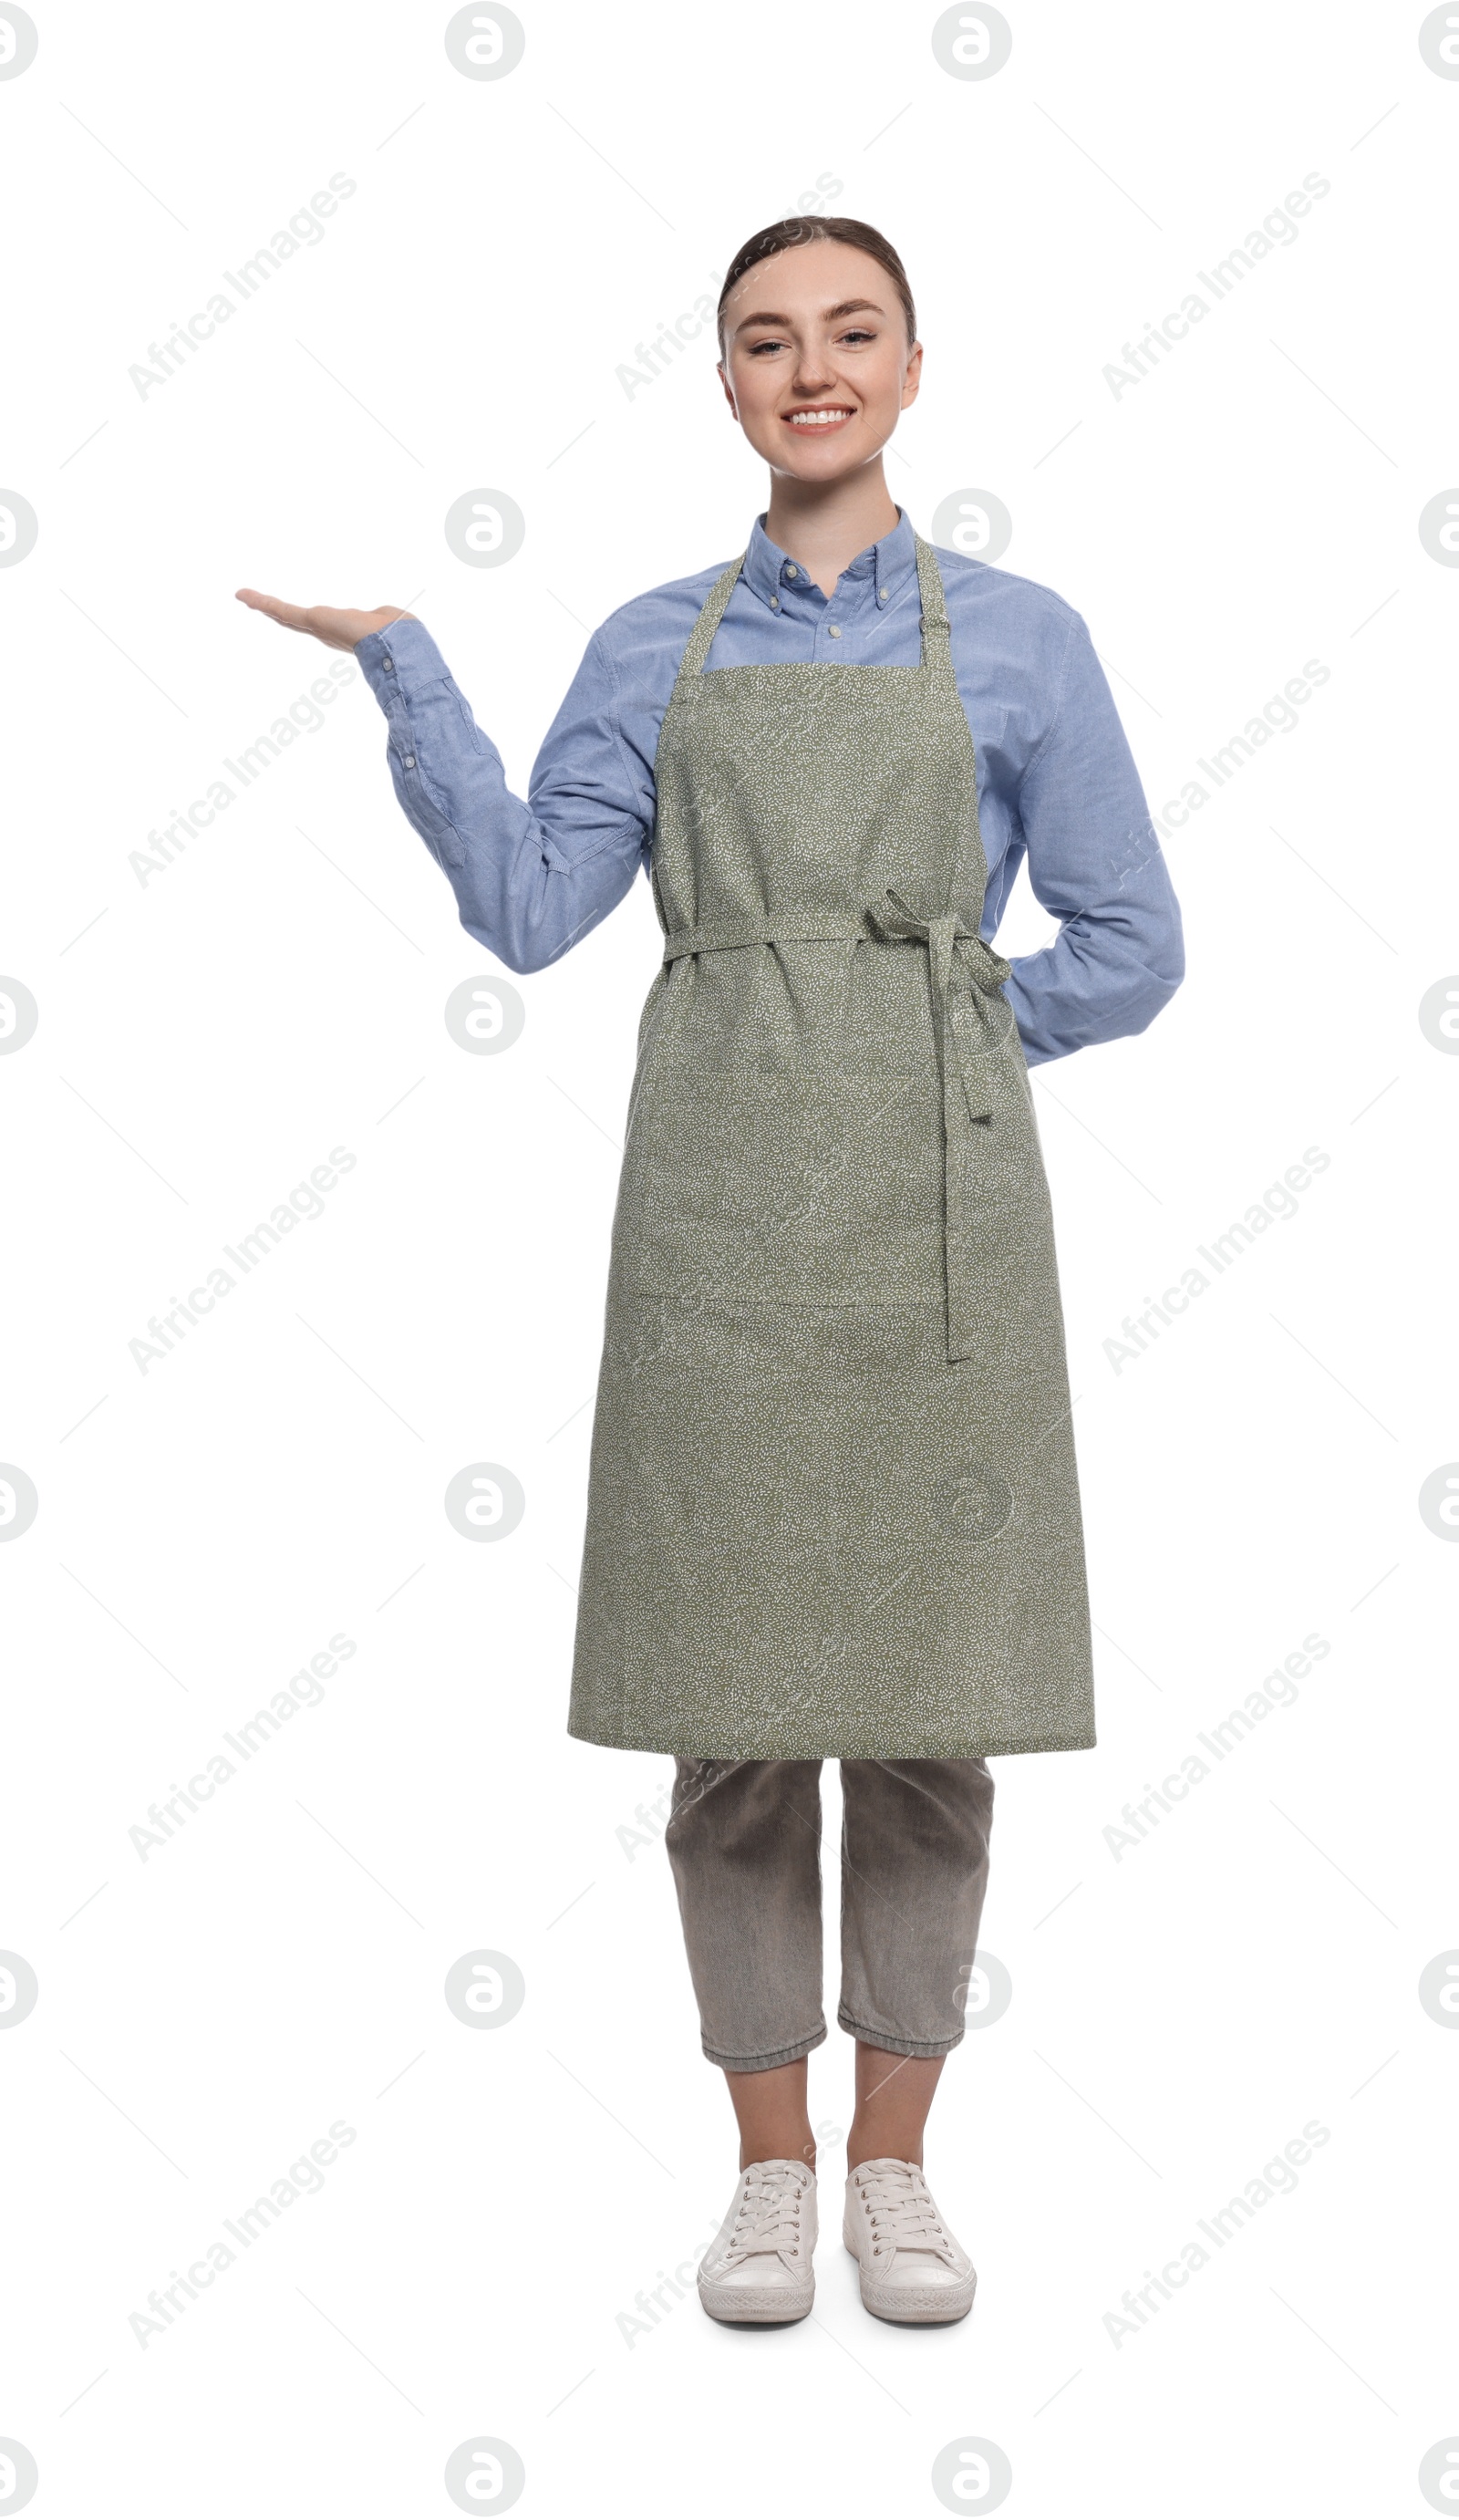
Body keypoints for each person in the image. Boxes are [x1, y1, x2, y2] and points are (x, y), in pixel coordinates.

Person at [238, 214, 1184, 2331]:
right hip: (714, 1219)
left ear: (916, 369)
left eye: (851, 333)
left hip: (944, 1224)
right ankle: (769, 2176)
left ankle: (897, 2169)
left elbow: (1130, 946)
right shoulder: (649, 643)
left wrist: (950, 1031)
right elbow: (528, 904)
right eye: (766, 339)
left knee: (932, 1712)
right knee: (736, 1720)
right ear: (726, 384)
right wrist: (405, 666)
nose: (809, 368)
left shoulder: (1021, 638)